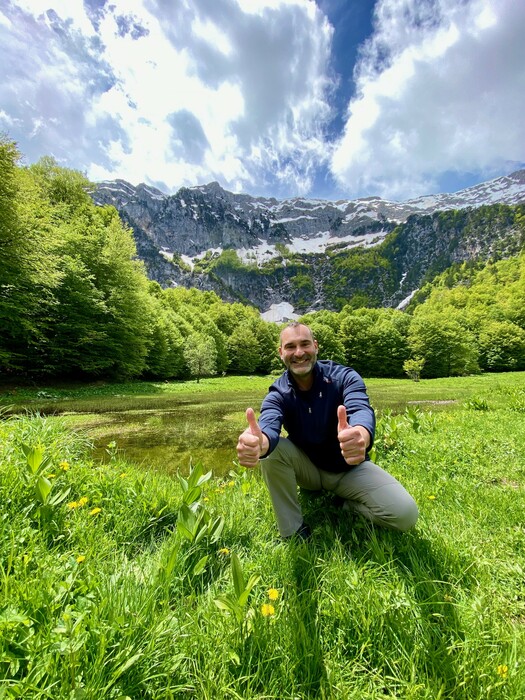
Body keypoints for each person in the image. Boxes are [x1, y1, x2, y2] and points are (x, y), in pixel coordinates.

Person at [236, 322, 418, 540]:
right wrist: (260, 442)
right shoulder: (279, 392)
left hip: (348, 469)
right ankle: (293, 532)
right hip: (309, 471)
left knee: (405, 515)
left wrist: (360, 434)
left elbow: (360, 409)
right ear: (281, 352)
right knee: (273, 451)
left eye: (305, 344)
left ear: (316, 346)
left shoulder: (345, 378)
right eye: (291, 346)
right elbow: (268, 422)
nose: (299, 353)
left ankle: (346, 506)